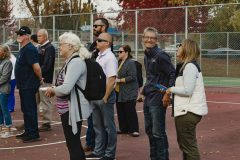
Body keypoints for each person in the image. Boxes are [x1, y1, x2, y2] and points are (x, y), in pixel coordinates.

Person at [45, 32, 92, 160]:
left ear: (70, 46)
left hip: (72, 109)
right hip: (68, 108)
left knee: (73, 143)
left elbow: (66, 88)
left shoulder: (75, 62)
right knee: (73, 143)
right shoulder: (71, 61)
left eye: (61, 44)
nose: (59, 47)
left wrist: (53, 89)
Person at [165, 39, 208, 160]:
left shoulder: (189, 66)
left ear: (186, 49)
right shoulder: (187, 66)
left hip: (188, 112)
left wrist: (170, 90)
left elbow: (188, 91)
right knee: (186, 145)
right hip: (186, 111)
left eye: (180, 46)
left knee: (188, 146)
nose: (177, 47)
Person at [139, 27, 175, 160]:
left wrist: (167, 93)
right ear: (142, 39)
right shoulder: (146, 55)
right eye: (147, 37)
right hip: (149, 97)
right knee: (149, 131)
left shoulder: (161, 55)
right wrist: (143, 92)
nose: (149, 40)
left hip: (158, 98)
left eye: (152, 38)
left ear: (156, 40)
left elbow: (172, 73)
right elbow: (150, 77)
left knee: (158, 133)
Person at [86, 32, 118, 160]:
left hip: (104, 96)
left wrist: (105, 97)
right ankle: (99, 151)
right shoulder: (99, 56)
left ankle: (110, 154)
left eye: (100, 40)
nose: (96, 42)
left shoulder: (110, 57)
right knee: (97, 126)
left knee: (108, 127)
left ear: (107, 43)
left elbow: (112, 79)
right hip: (96, 96)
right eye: (97, 40)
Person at [84, 17, 110, 152]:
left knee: (103, 123)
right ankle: (92, 143)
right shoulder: (93, 46)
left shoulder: (107, 47)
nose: (94, 28)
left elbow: (110, 75)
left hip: (101, 90)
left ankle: (102, 147)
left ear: (104, 27)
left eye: (96, 26)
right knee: (92, 119)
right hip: (91, 87)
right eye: (93, 26)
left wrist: (106, 95)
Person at [14, 26, 42, 143]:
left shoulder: (30, 49)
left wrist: (40, 79)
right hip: (24, 85)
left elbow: (36, 67)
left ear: (27, 36)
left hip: (29, 85)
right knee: (26, 109)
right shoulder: (23, 48)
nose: (19, 36)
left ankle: (34, 134)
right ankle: (28, 130)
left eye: (21, 34)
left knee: (30, 109)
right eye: (18, 34)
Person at [115, 45, 139, 137]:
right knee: (120, 109)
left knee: (130, 110)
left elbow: (132, 77)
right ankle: (124, 128)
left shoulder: (130, 63)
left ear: (126, 53)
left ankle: (134, 129)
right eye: (118, 51)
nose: (119, 53)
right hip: (119, 90)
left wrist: (120, 80)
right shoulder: (119, 62)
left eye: (121, 52)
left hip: (129, 90)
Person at [37, 29, 56, 131]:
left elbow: (47, 65)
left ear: (45, 37)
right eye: (37, 36)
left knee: (45, 101)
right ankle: (36, 122)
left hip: (45, 79)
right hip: (38, 79)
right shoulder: (39, 47)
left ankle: (46, 123)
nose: (38, 37)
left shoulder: (50, 48)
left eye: (40, 36)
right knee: (38, 101)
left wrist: (40, 74)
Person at [0, 44, 13, 138]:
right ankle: (0, 129)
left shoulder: (7, 62)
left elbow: (5, 77)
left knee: (4, 109)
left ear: (4, 53)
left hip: (4, 89)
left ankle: (8, 130)